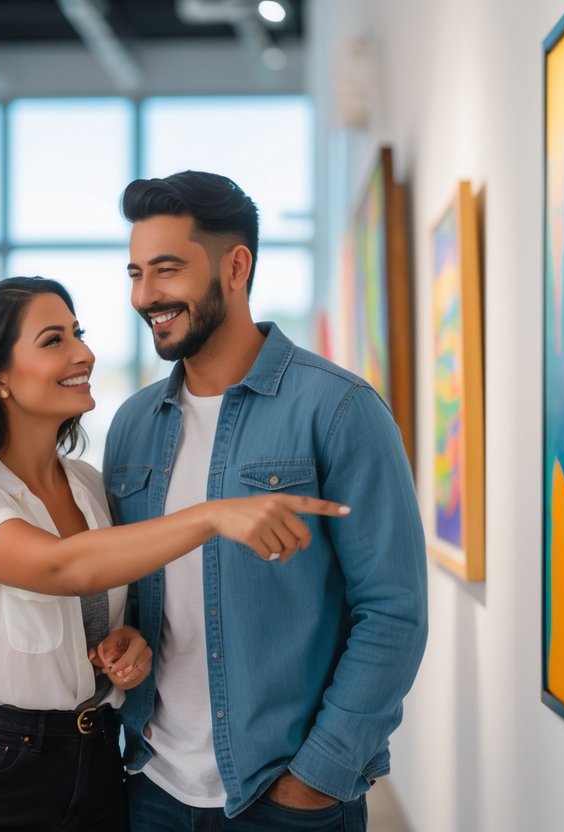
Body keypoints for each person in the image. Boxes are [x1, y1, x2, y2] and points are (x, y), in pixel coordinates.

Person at [0, 276, 352, 832]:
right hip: (6, 767)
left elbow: (112, 597)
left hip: (101, 759)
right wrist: (215, 514)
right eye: (54, 340)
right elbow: (62, 567)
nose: (84, 353)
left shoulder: (91, 485)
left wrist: (130, 646)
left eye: (79, 332)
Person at [105, 170, 429, 831]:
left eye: (165, 271)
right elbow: (132, 596)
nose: (145, 296)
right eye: (135, 273)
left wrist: (318, 775)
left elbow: (393, 612)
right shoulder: (133, 425)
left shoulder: (337, 409)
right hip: (151, 786)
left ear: (235, 266)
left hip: (283, 798)